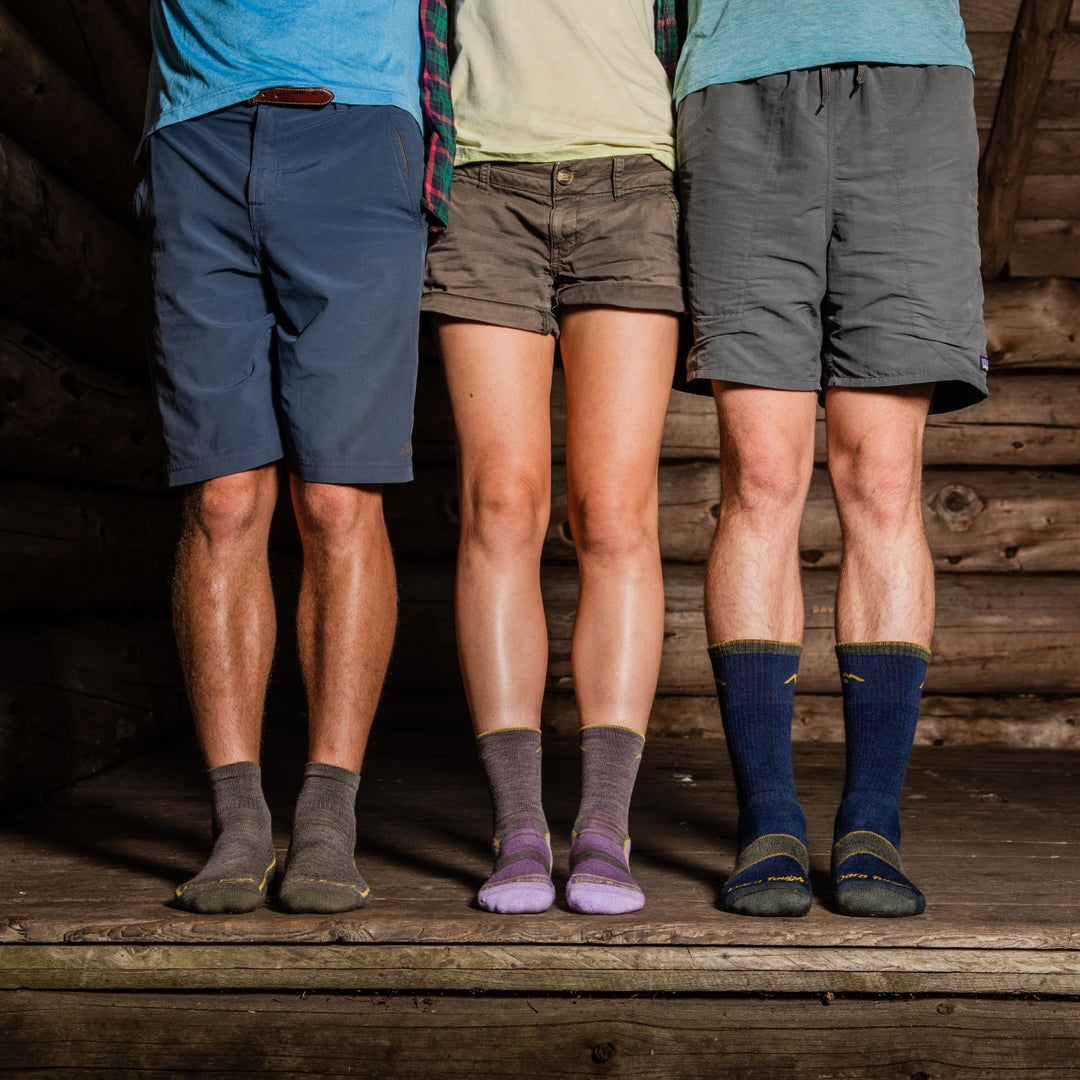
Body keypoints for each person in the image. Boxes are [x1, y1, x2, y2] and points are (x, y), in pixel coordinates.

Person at [137, 0, 453, 914]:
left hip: (359, 127)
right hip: (197, 127)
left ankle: (327, 813)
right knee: (224, 499)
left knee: (337, 499)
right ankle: (237, 819)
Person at [674, 1, 988, 917]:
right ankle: (767, 817)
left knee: (883, 478)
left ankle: (871, 824)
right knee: (763, 475)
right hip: (736, 82)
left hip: (911, 79)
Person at [422, 1, 683, 915]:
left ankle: (605, 827)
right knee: (501, 502)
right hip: (485, 184)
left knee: (613, 513)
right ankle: (520, 827)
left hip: (635, 182)